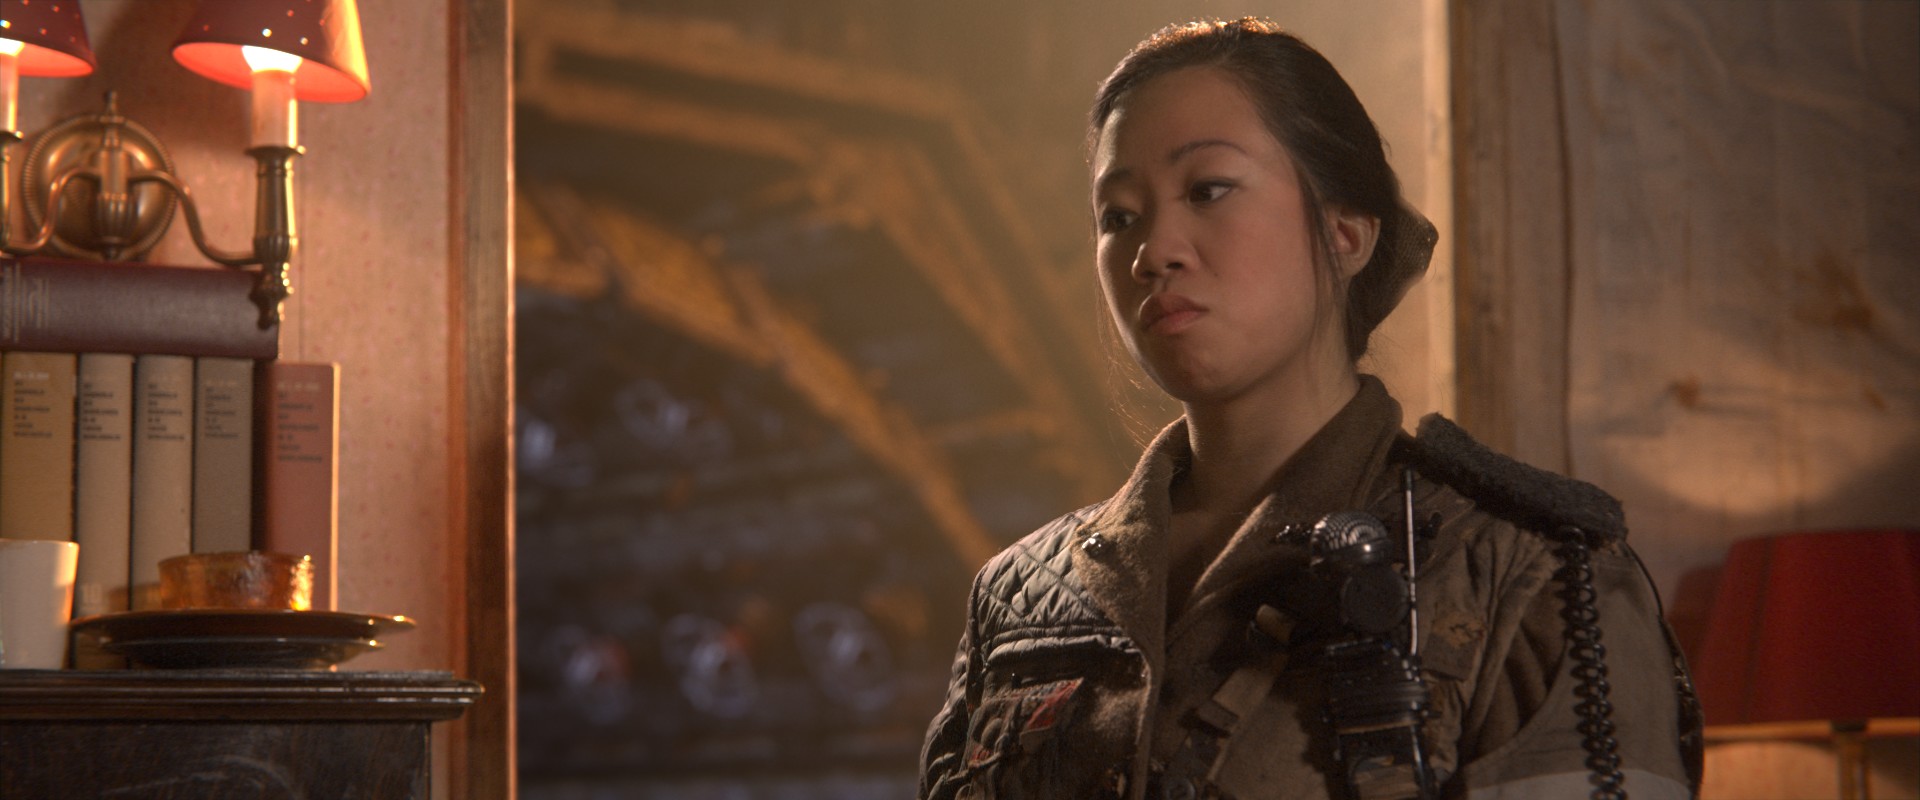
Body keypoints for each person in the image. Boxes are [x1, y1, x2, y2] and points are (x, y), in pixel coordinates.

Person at [917, 18, 1702, 800]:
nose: (1152, 252)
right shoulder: (1020, 598)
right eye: (1118, 216)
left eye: (1207, 190)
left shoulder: (1526, 576)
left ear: (1346, 233)